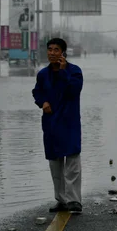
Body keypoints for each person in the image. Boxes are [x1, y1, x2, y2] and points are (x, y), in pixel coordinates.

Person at [32, 38, 85, 214]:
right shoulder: (43, 74)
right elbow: (37, 91)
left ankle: (74, 201)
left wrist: (63, 72)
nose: (52, 53)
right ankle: (61, 200)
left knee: (72, 165)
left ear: (63, 52)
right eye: (50, 49)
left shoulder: (74, 72)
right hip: (51, 124)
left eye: (56, 50)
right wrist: (42, 102)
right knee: (55, 166)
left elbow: (73, 91)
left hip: (69, 123)